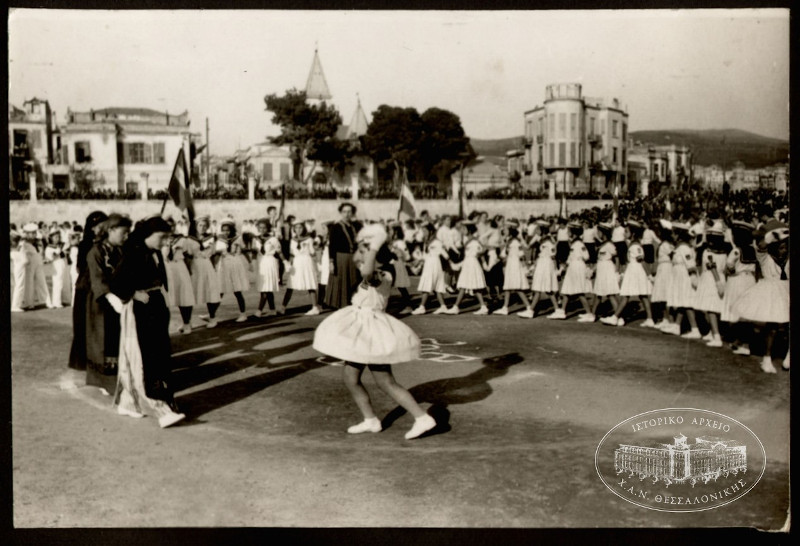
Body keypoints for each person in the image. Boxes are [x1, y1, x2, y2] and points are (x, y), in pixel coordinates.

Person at [312, 224, 436, 440]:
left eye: (364, 252)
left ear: (376, 253)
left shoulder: (382, 273)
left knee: (385, 381)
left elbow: (367, 270)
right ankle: (370, 420)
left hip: (371, 332)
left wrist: (375, 243)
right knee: (351, 378)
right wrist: (365, 246)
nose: (360, 257)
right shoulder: (374, 271)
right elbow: (359, 264)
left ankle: (422, 418)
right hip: (362, 331)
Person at [110, 216, 185, 427]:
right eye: (161, 237)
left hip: (155, 306)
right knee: (147, 358)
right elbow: (115, 283)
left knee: (155, 354)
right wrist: (133, 293)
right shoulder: (134, 253)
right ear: (148, 235)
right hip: (140, 309)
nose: (165, 242)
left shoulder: (153, 253)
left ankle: (129, 402)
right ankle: (161, 409)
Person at [733, 219, 789, 373]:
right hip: (771, 290)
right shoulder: (765, 258)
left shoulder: (789, 259)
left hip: (786, 290)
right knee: (772, 326)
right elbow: (761, 246)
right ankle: (767, 358)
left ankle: (788, 356)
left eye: (785, 248)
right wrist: (774, 236)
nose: (783, 251)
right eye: (781, 248)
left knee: (787, 326)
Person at [85, 213, 131, 395]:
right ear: (110, 230)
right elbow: (97, 279)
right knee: (104, 341)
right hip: (101, 302)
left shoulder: (120, 250)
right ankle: (106, 381)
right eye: (123, 233)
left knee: (118, 338)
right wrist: (111, 297)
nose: (126, 237)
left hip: (119, 300)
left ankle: (121, 376)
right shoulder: (95, 251)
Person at [67, 211, 108, 373]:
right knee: (83, 322)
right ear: (91, 228)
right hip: (86, 286)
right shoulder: (86, 244)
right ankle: (82, 360)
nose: (101, 229)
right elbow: (80, 267)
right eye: (98, 226)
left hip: (97, 284)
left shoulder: (106, 243)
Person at [601, 220, 654, 327]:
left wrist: (649, 275)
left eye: (627, 231)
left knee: (627, 294)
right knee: (642, 295)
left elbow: (642, 261)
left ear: (633, 233)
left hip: (636, 271)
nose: (625, 234)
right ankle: (649, 318)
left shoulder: (635, 246)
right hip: (633, 270)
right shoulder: (632, 244)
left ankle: (615, 317)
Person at [721, 220, 757, 356]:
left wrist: (729, 271)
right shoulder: (753, 250)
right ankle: (742, 342)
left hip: (737, 281)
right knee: (745, 313)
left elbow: (729, 268)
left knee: (737, 311)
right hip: (750, 281)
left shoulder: (735, 251)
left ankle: (742, 343)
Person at [549, 222, 593, 321]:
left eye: (569, 231)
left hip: (576, 267)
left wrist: (575, 261)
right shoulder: (575, 243)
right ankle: (562, 312)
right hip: (573, 267)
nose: (567, 232)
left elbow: (586, 256)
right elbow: (570, 258)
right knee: (567, 290)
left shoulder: (577, 244)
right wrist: (562, 268)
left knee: (579, 292)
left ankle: (589, 314)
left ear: (573, 232)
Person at [693, 222, 728, 347]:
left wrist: (718, 283)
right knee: (711, 306)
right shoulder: (724, 252)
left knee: (711, 308)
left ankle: (717, 336)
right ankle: (711, 332)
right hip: (719, 278)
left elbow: (712, 268)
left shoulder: (708, 253)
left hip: (711, 279)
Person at [446, 222, 489, 315]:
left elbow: (476, 253)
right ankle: (482, 306)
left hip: (472, 265)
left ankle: (456, 307)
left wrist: (483, 261)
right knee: (469, 286)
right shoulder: (469, 241)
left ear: (469, 230)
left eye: (464, 229)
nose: (462, 231)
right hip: (469, 264)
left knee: (466, 285)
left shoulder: (473, 242)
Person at [324, 202, 361, 309]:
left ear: (352, 213)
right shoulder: (336, 227)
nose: (347, 214)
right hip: (341, 259)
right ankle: (341, 305)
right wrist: (331, 262)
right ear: (341, 213)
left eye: (349, 212)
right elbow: (332, 246)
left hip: (354, 258)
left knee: (355, 281)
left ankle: (353, 302)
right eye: (344, 212)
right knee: (341, 282)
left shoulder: (356, 226)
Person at [280, 220, 321, 315]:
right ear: (293, 229)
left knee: (310, 284)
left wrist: (318, 263)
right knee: (290, 285)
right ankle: (283, 307)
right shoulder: (292, 240)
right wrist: (288, 264)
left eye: (300, 227)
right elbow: (291, 254)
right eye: (296, 228)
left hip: (307, 262)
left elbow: (313, 252)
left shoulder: (309, 239)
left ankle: (315, 307)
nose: (298, 230)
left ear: (304, 228)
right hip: (296, 263)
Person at [410, 223, 450, 315]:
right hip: (429, 264)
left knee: (427, 285)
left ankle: (422, 307)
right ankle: (443, 306)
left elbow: (445, 255)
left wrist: (446, 257)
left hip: (434, 264)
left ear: (431, 231)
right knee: (436, 286)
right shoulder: (426, 242)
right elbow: (425, 256)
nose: (423, 233)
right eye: (422, 231)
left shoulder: (437, 242)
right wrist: (418, 261)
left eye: (425, 230)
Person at [495, 225, 533, 317]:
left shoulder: (515, 241)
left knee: (517, 287)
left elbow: (521, 254)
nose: (504, 231)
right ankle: (505, 308)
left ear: (510, 230)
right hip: (510, 264)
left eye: (506, 229)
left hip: (514, 265)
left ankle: (529, 308)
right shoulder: (510, 240)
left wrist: (525, 267)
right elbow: (504, 254)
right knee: (508, 286)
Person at [215, 219, 249, 322]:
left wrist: (250, 263)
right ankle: (212, 313)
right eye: (224, 230)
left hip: (235, 264)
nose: (226, 232)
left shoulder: (238, 238)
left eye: (228, 230)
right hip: (224, 264)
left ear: (232, 230)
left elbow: (243, 251)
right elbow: (216, 254)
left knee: (237, 290)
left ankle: (243, 314)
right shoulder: (219, 240)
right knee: (220, 290)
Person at [195, 216, 222, 328]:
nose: (202, 228)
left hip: (207, 266)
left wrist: (215, 267)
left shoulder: (211, 238)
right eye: (200, 225)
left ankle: (212, 317)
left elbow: (216, 254)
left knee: (211, 292)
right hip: (194, 266)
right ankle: (186, 323)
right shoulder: (190, 238)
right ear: (196, 226)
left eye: (205, 226)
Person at [591, 222, 620, 320]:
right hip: (601, 270)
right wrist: (592, 270)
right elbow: (599, 260)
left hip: (608, 270)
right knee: (598, 293)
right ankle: (592, 314)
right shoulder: (602, 245)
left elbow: (616, 259)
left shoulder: (609, 245)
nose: (597, 233)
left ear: (603, 233)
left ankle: (618, 316)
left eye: (599, 231)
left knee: (610, 294)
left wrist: (616, 272)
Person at [254, 219, 283, 317]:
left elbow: (279, 252)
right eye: (260, 228)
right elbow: (254, 252)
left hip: (270, 263)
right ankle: (272, 309)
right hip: (261, 263)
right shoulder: (255, 239)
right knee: (267, 287)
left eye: (264, 228)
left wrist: (286, 262)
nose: (262, 230)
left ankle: (259, 310)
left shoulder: (273, 239)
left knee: (265, 287)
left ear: (268, 228)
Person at [44, 230, 71, 308]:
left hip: (63, 265)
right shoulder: (49, 247)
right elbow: (50, 257)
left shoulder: (61, 245)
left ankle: (65, 300)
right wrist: (59, 251)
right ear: (51, 238)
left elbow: (67, 249)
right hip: (56, 266)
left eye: (58, 237)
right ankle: (56, 302)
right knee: (57, 283)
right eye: (55, 237)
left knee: (64, 283)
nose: (57, 238)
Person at [10, 231, 28, 313]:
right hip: (19, 267)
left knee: (17, 286)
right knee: (19, 286)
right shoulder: (20, 248)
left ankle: (17, 304)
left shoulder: (13, 249)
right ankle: (15, 305)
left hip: (16, 267)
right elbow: (25, 260)